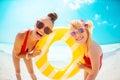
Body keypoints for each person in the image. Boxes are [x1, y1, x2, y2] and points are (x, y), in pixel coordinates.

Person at [12, 12, 57, 80]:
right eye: (40, 24)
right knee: (18, 72)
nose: (42, 30)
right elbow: (17, 55)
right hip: (16, 54)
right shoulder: (20, 36)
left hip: (27, 54)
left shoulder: (42, 41)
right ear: (35, 23)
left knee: (32, 73)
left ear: (48, 33)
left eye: (47, 30)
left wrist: (44, 51)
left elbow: (44, 53)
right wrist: (32, 55)